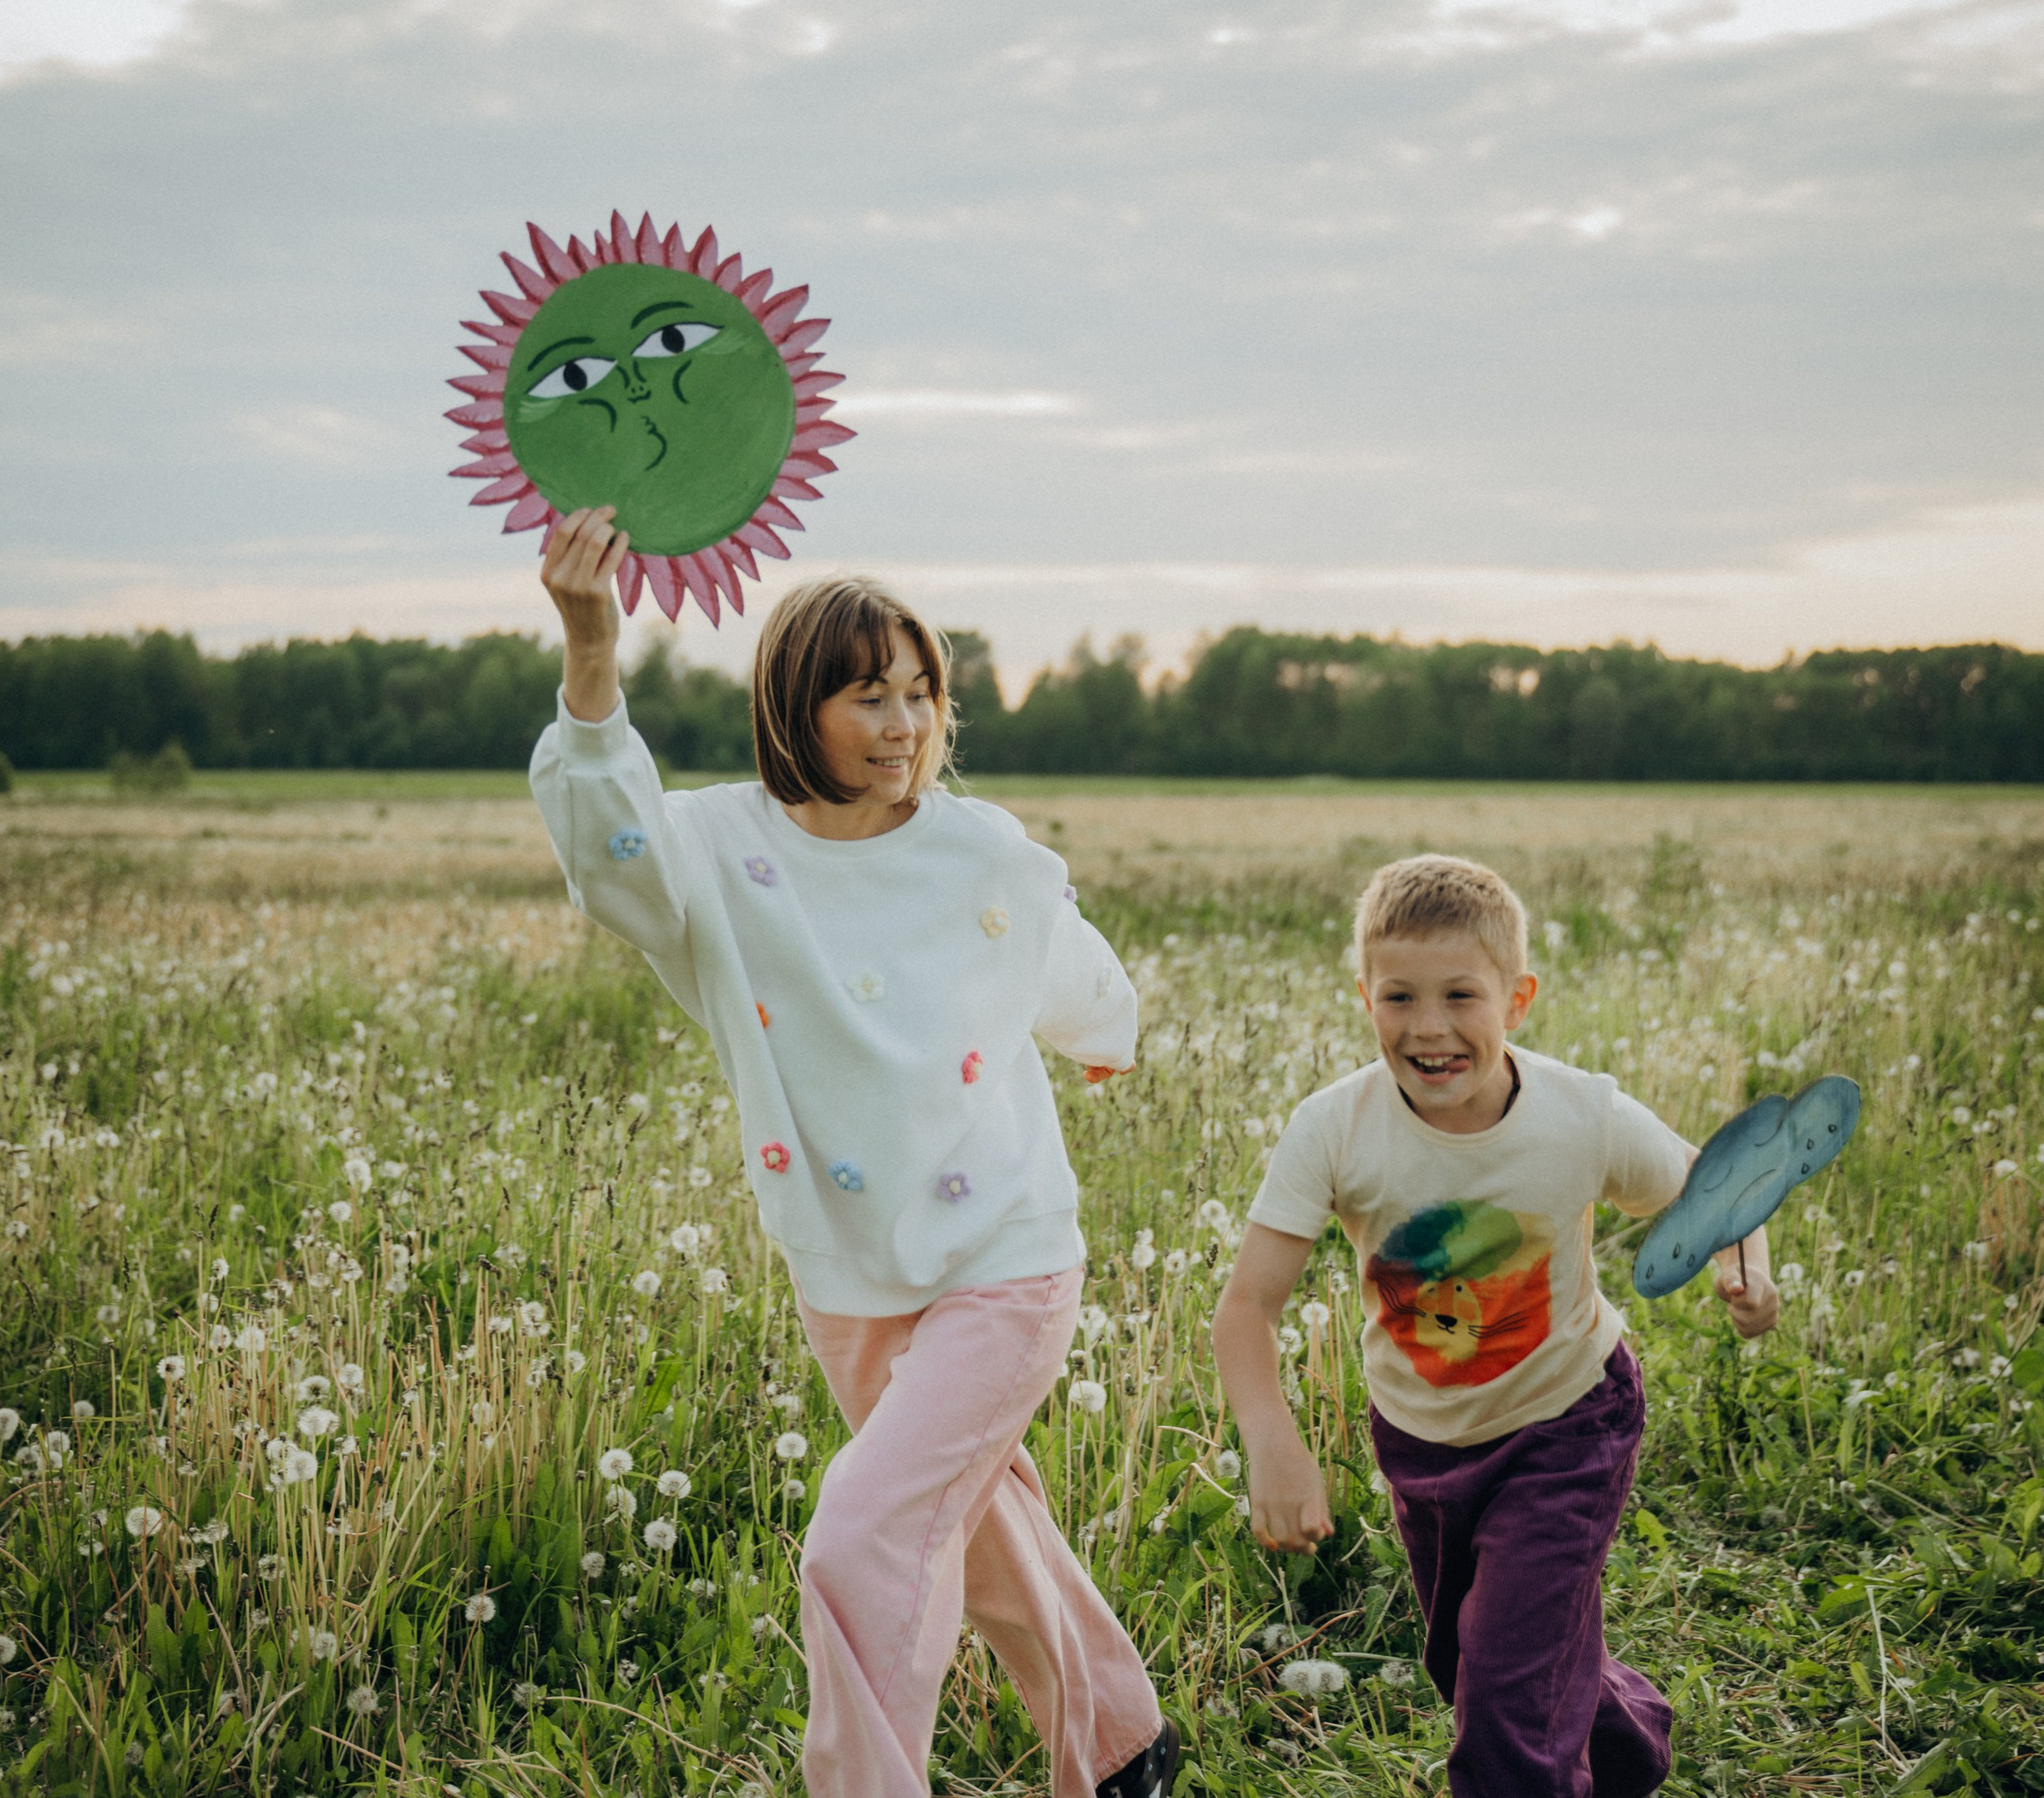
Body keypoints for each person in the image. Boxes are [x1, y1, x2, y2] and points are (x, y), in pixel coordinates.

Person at [530, 505, 1179, 1798]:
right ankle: (1120, 1748)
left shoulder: (981, 848)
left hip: (1004, 1258)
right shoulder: (717, 852)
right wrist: (592, 643)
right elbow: (608, 856)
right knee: (980, 1528)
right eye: (869, 696)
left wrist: (1109, 1035)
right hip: (845, 1267)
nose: (905, 724)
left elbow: (1063, 961)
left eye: (923, 693)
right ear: (793, 708)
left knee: (861, 1539)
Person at [1212, 853, 1779, 1798]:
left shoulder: (1581, 1115)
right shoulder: (1332, 1128)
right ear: (1363, 997)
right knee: (1474, 1664)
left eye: (1459, 996)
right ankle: (1627, 1748)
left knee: (1506, 1693)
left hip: (1568, 1425)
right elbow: (1246, 1307)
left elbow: (1723, 1186)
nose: (1428, 1027)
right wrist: (1271, 1437)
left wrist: (1746, 1270)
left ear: (1516, 999)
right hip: (1421, 1443)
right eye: (1398, 997)